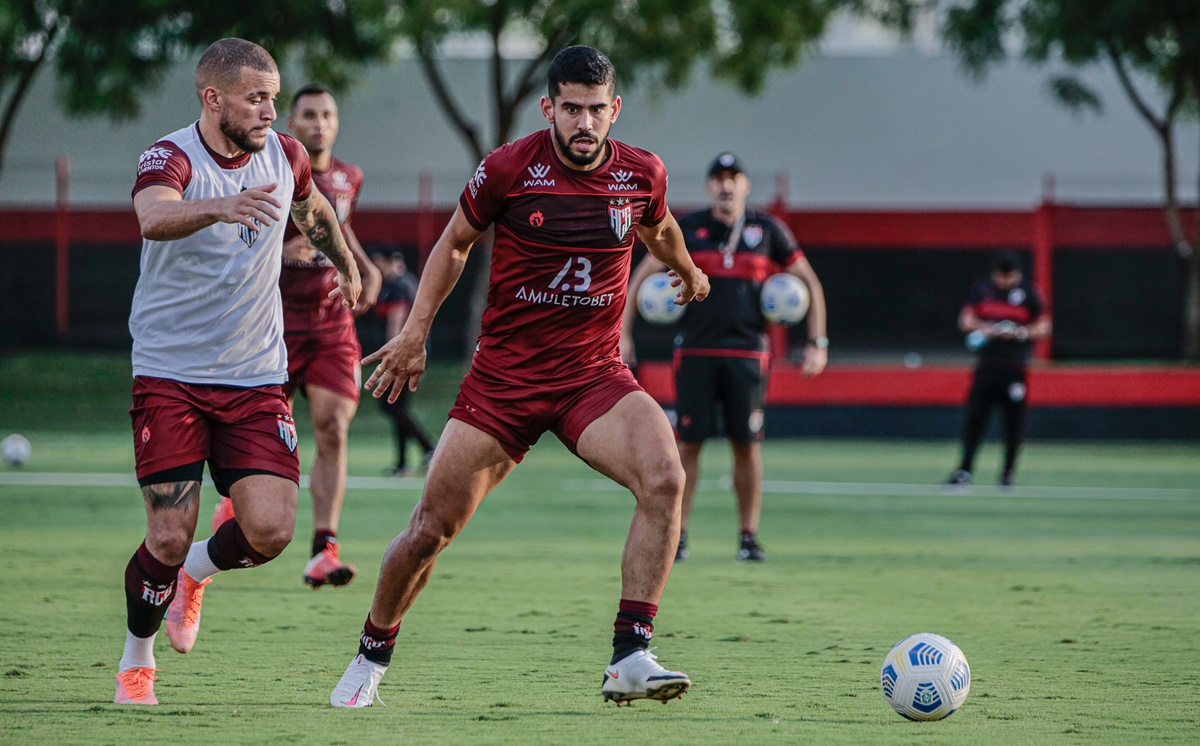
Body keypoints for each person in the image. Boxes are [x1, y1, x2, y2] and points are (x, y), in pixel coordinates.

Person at [328, 45, 710, 709]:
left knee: (666, 478)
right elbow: (454, 243)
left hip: (593, 375)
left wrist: (688, 269)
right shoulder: (509, 167)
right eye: (572, 109)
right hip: (505, 380)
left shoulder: (642, 172)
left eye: (596, 110)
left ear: (615, 109)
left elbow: (660, 228)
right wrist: (414, 333)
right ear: (548, 108)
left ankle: (630, 655)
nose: (584, 122)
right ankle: (371, 654)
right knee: (430, 530)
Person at [115, 38, 361, 706]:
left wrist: (346, 262)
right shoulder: (170, 156)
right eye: (256, 99)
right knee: (168, 533)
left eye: (273, 98)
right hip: (170, 373)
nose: (269, 112)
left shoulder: (285, 154)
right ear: (213, 98)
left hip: (254, 376)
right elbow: (152, 215)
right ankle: (137, 659)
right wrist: (220, 206)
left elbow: (315, 209)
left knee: (272, 531)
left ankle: (195, 573)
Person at [210, 83, 383, 590]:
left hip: (331, 324)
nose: (319, 124)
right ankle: (234, 508)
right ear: (291, 122)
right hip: (273, 323)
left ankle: (323, 549)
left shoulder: (350, 177)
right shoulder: (267, 169)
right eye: (309, 115)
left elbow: (338, 225)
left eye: (327, 115)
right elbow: (233, 235)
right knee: (264, 434)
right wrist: (280, 253)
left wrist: (363, 267)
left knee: (333, 427)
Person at [620, 152, 828, 562]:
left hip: (748, 355)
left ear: (746, 185)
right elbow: (640, 276)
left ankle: (748, 537)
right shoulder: (688, 228)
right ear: (708, 187)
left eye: (733, 177)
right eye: (718, 178)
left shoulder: (768, 230)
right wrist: (623, 334)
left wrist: (817, 342)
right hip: (695, 352)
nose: (726, 185)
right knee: (689, 445)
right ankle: (677, 537)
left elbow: (811, 284)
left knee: (746, 446)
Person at [945, 251, 1051, 489]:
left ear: (1017, 273)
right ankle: (964, 472)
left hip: (1014, 369)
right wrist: (987, 328)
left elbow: (1045, 327)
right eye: (1000, 276)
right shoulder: (983, 288)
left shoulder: (1029, 292)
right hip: (986, 367)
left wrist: (1019, 333)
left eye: (1008, 276)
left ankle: (1007, 474)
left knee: (1012, 423)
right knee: (975, 420)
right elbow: (965, 320)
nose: (1004, 281)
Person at [369, 249, 435, 475]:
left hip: (403, 355)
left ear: (387, 261)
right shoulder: (405, 283)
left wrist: (390, 357)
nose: (378, 267)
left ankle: (429, 449)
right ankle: (402, 463)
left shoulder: (398, 286)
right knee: (398, 405)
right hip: (411, 353)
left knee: (390, 404)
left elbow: (396, 323)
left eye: (379, 262)